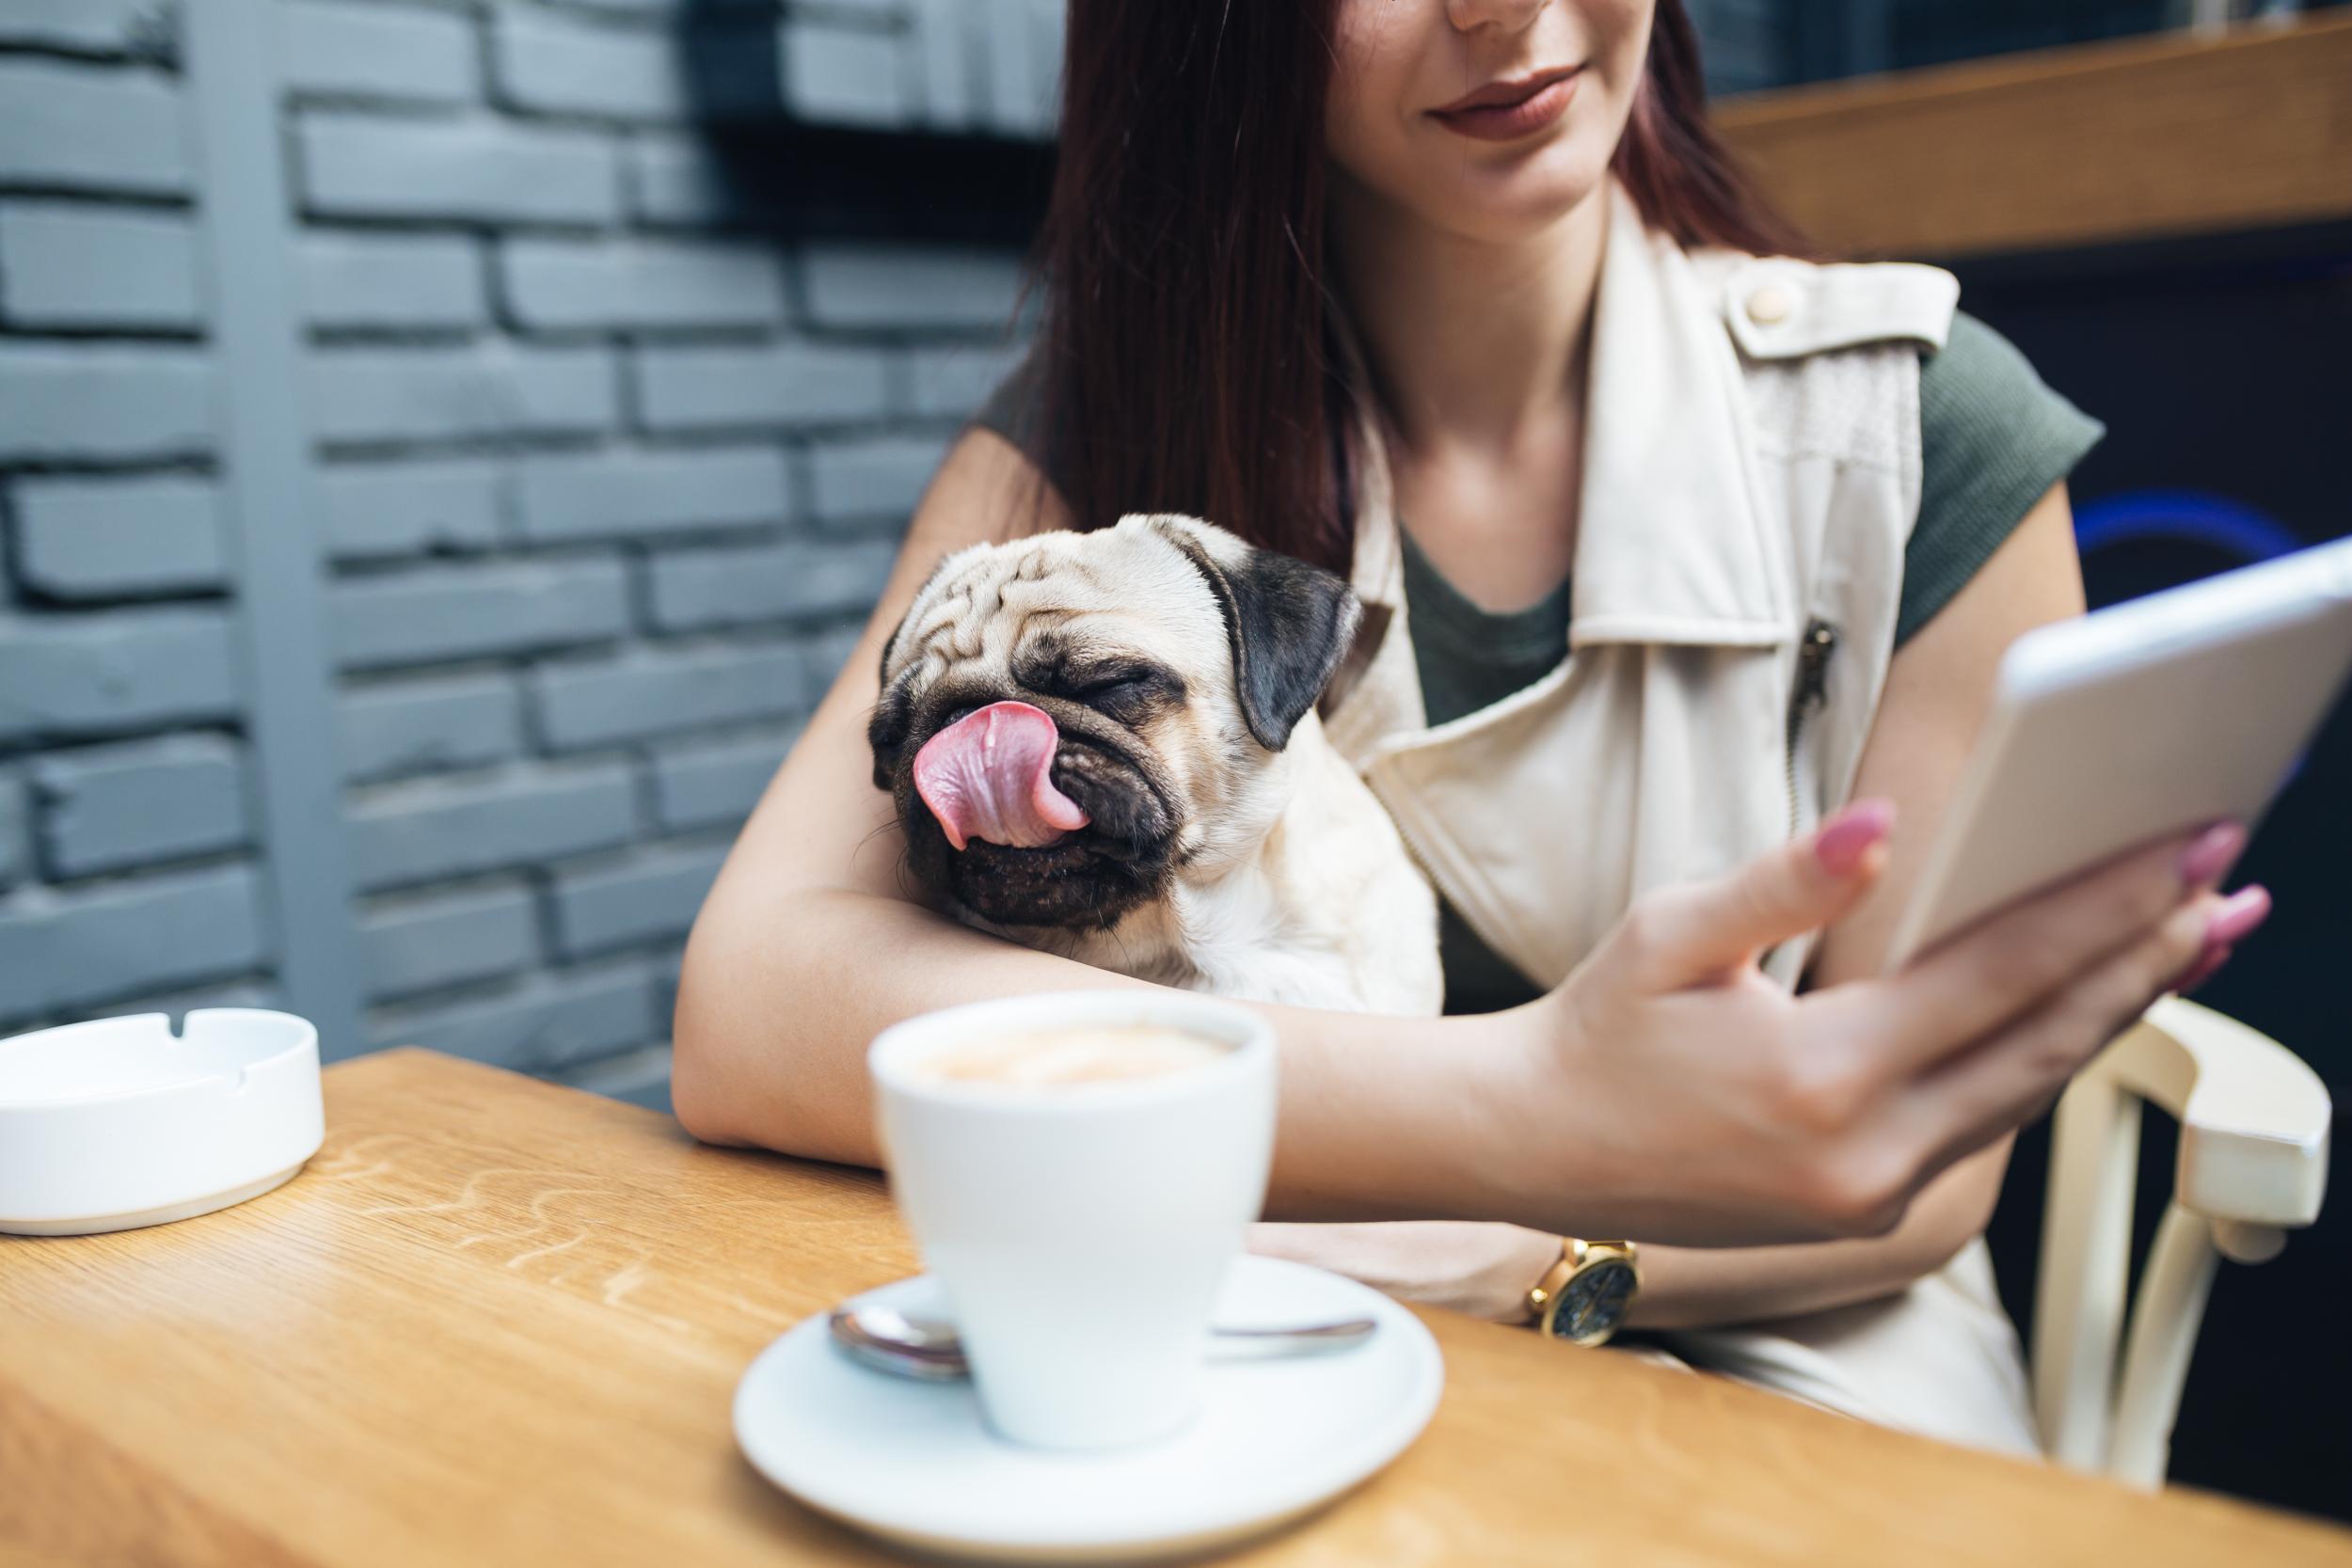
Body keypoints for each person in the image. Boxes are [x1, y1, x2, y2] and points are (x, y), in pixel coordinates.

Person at [674, 0, 2269, 1451]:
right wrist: (1531, 1106)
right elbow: (752, 1007)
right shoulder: (1095, 437)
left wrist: (1519, 1251)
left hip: (1798, 1357)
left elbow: (1918, 1180)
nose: (1502, 10)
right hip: (1237, 1342)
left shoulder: (1915, 430)